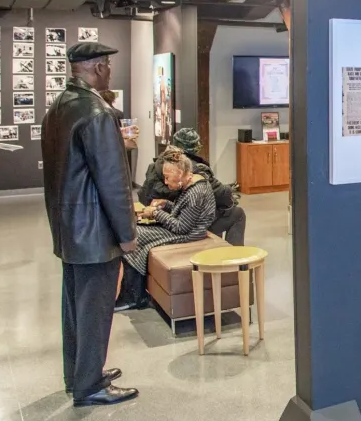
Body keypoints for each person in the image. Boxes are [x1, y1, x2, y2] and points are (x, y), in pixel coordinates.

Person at [41, 42, 138, 406]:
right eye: (107, 65)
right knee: (95, 309)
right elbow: (113, 180)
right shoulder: (97, 113)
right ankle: (90, 385)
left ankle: (79, 374)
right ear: (98, 68)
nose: (110, 71)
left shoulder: (59, 107)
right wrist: (127, 232)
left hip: (69, 228)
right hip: (94, 231)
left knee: (75, 307)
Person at [117, 146, 216, 310]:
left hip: (190, 234)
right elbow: (182, 212)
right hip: (185, 229)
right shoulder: (190, 184)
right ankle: (133, 292)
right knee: (135, 229)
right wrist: (166, 204)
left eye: (167, 177)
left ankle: (134, 296)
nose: (165, 181)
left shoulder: (196, 193)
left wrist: (156, 213)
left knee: (135, 234)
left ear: (180, 174)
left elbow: (181, 227)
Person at [138, 128, 245, 246]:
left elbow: (144, 194)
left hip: (165, 215)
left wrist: (161, 207)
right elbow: (220, 194)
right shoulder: (194, 170)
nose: (166, 182)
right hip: (180, 224)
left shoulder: (156, 164)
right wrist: (157, 212)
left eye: (167, 178)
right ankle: (228, 255)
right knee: (235, 212)